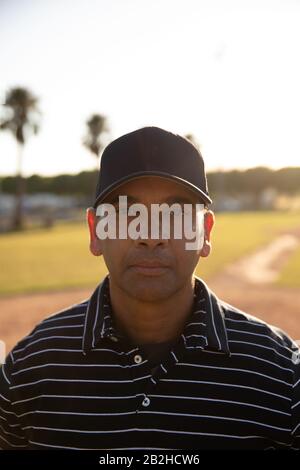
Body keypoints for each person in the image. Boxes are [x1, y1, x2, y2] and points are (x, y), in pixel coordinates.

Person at [0, 126, 299, 450]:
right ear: (95, 231)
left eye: (176, 214)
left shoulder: (283, 375)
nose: (151, 235)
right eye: (129, 212)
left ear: (205, 233)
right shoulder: (29, 369)